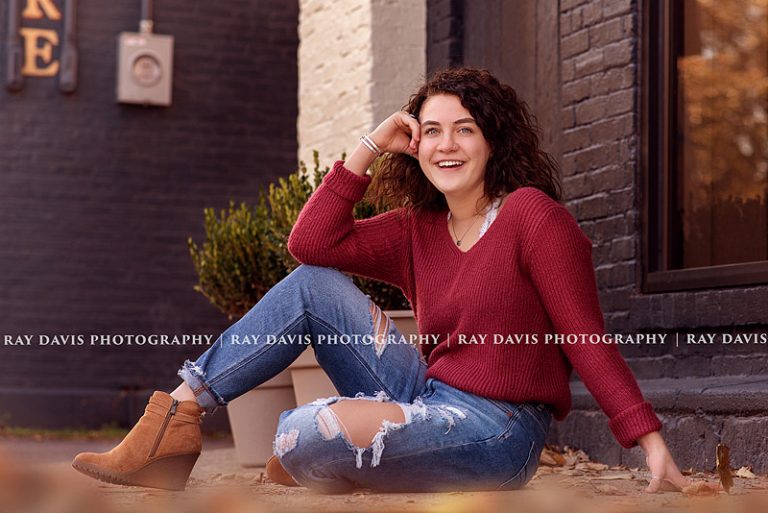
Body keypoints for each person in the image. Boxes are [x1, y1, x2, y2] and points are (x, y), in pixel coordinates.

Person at [72, 67, 710, 494]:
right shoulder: (416, 228)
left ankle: (329, 453)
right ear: (417, 144)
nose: (446, 146)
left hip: (498, 431)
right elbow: (312, 245)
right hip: (429, 396)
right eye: (432, 131)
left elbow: (583, 335)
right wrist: (370, 145)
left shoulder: (531, 216)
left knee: (298, 430)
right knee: (312, 286)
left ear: (494, 141)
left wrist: (649, 443)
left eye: (466, 129)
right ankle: (177, 417)